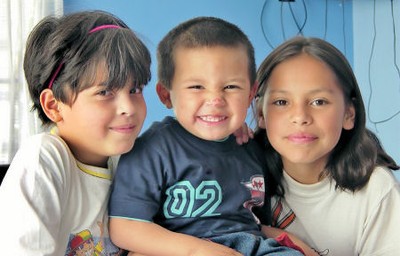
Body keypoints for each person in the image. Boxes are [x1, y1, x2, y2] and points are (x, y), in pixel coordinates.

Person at [108, 16, 307, 256]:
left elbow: (259, 223)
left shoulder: (250, 147)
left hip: (249, 246)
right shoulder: (152, 149)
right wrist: (199, 251)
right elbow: (125, 228)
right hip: (178, 248)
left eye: (231, 87)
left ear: (251, 93)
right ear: (166, 95)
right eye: (196, 87)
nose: (215, 100)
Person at [0, 10, 151, 255]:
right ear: (54, 106)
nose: (128, 108)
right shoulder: (43, 158)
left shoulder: (130, 161)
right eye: (105, 92)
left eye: (135, 89)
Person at [254, 36, 400, 255]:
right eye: (282, 102)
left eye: (318, 102)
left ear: (349, 114)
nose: (300, 117)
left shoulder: (377, 190)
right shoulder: (241, 172)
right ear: (260, 114)